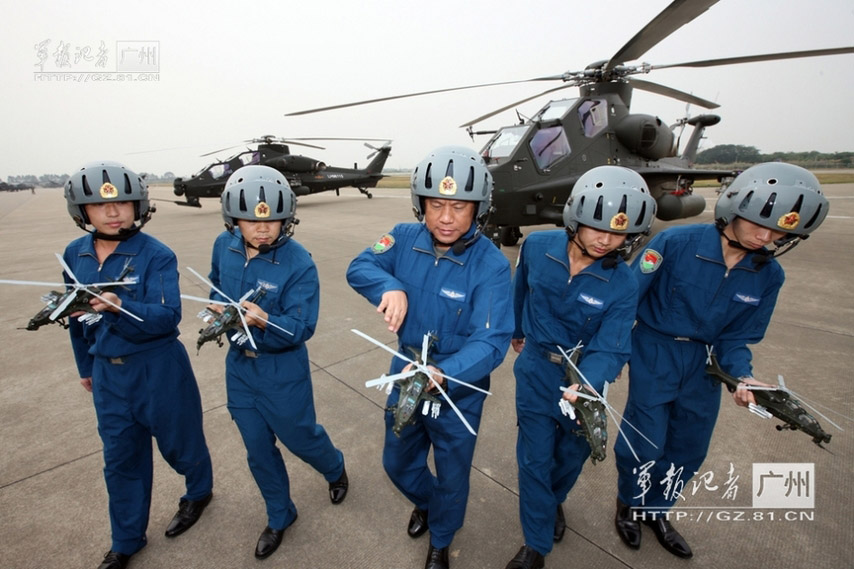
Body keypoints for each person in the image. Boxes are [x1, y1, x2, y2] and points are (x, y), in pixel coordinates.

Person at [613, 162, 830, 558]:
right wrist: (613, 353)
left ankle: (657, 509)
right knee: (643, 443)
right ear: (734, 209)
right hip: (655, 349)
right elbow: (628, 298)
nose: (766, 237)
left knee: (689, 447)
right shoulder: (674, 244)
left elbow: (738, 337)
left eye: (779, 231)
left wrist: (742, 377)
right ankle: (629, 502)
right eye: (757, 224)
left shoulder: (769, 275)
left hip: (706, 364)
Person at [346, 146, 513, 569]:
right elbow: (359, 266)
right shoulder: (402, 237)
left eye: (459, 206)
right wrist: (387, 286)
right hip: (405, 371)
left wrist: (446, 371)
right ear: (421, 203)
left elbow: (492, 341)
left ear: (479, 208)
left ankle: (441, 538)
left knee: (453, 472)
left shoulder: (491, 265)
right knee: (396, 460)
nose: (445, 217)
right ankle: (429, 503)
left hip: (458, 385)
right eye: (436, 204)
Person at [62, 161, 213, 569]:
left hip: (158, 367)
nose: (114, 213)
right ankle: (126, 540)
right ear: (82, 212)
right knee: (121, 459)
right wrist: (85, 366)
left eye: (123, 204)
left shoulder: (156, 255)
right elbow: (73, 317)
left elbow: (167, 318)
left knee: (181, 445)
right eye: (100, 206)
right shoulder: (74, 255)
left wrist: (119, 305)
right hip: (108, 373)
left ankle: (199, 491)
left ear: (138, 206)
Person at [504, 166, 656, 569]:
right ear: (575, 219)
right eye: (596, 228)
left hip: (584, 379)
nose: (606, 240)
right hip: (536, 370)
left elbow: (613, 343)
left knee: (571, 457)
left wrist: (589, 382)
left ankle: (551, 502)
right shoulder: (537, 247)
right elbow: (521, 288)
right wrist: (516, 329)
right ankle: (535, 546)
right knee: (534, 458)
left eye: (618, 233)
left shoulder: (623, 283)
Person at [207, 165, 348, 560]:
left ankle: (334, 467)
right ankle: (280, 515)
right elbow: (215, 280)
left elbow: (303, 327)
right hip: (239, 367)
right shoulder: (224, 244)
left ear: (288, 218)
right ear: (233, 218)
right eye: (251, 220)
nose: (263, 229)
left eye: (273, 220)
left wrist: (265, 318)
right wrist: (216, 303)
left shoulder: (299, 261)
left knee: (301, 437)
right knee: (257, 447)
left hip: (282, 370)